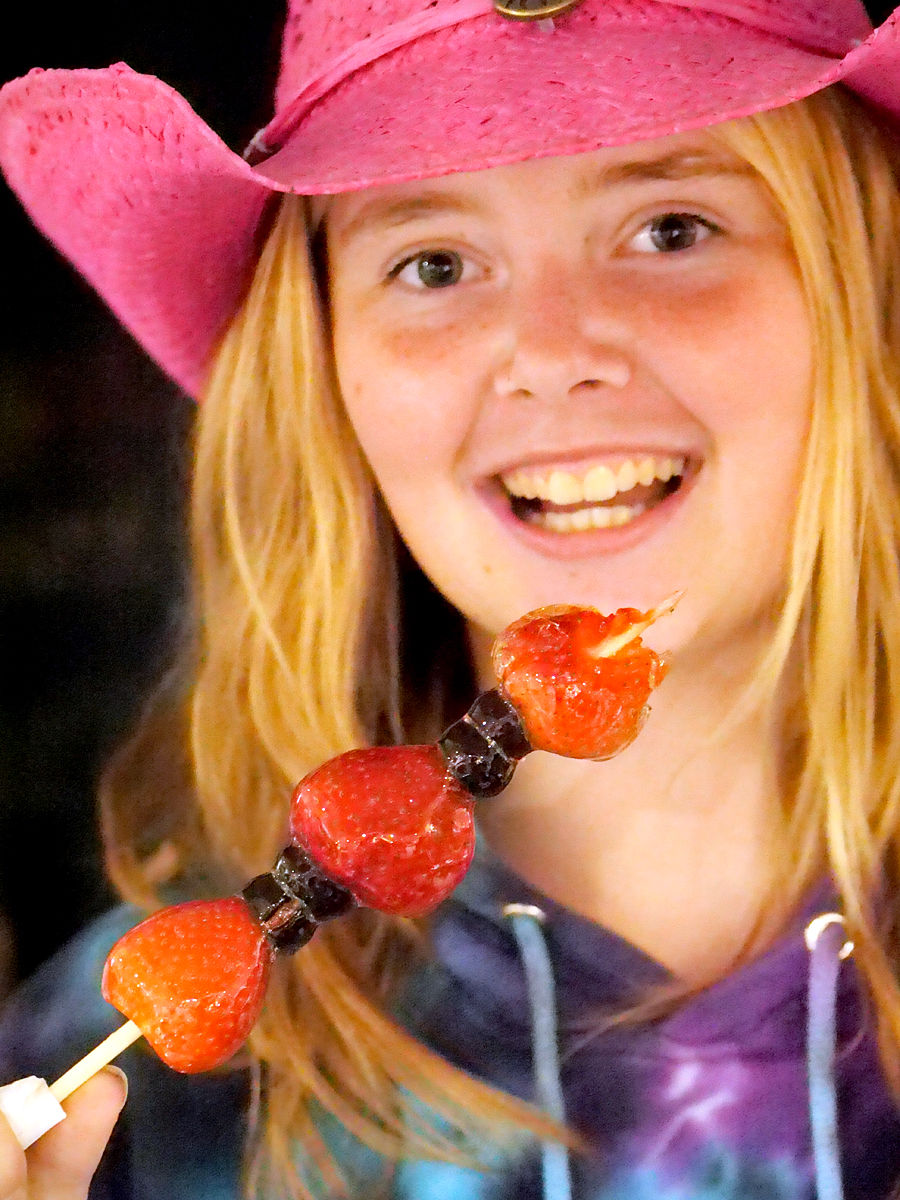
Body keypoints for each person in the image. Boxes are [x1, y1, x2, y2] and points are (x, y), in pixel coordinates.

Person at [3, 0, 900, 1196]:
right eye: (433, 264)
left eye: (673, 227)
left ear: (872, 295)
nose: (550, 348)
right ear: (324, 368)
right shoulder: (119, 1090)